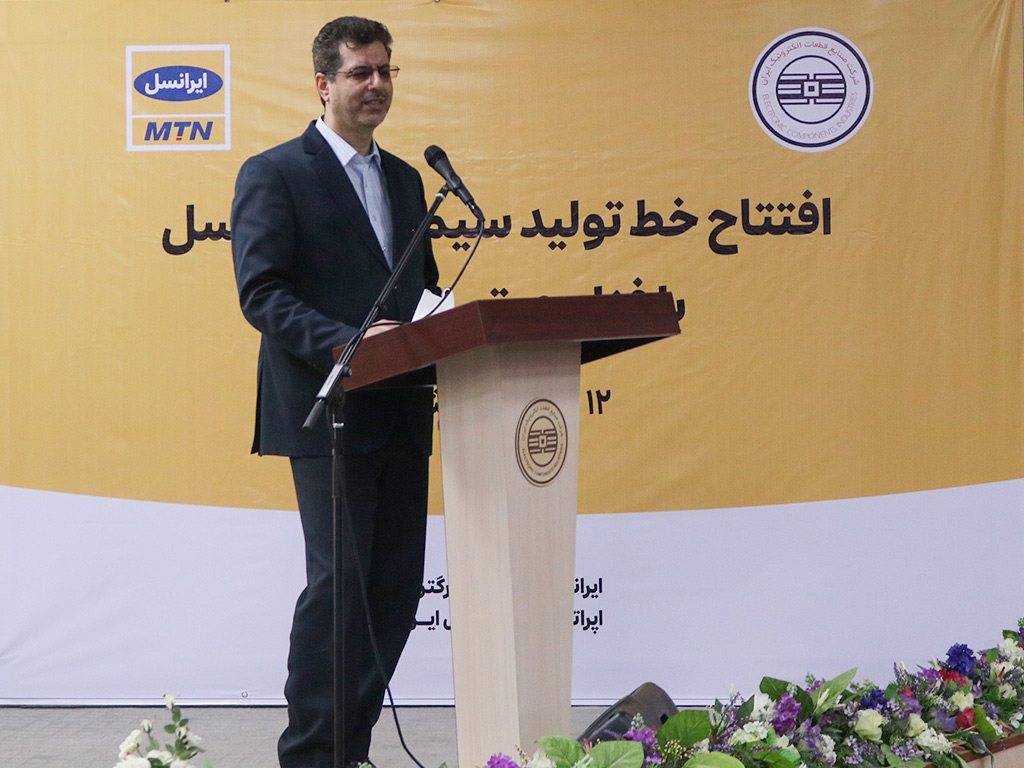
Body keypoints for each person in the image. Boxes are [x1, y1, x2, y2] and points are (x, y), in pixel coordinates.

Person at [230, 16, 438, 768]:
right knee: (339, 588)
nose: (377, 84)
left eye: (386, 71)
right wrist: (350, 343)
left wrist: (443, 324)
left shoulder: (408, 179)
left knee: (394, 592)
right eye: (361, 73)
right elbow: (262, 293)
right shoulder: (276, 173)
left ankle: (349, 747)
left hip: (403, 409)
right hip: (331, 413)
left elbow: (419, 287)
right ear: (324, 84)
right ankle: (312, 753)